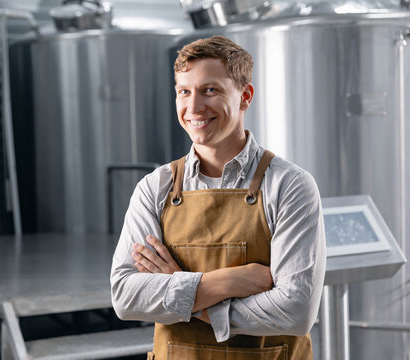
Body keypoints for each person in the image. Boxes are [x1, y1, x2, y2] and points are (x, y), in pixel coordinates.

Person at [110, 35, 326, 360]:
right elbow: (126, 297)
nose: (193, 107)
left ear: (245, 96)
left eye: (210, 90)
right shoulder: (155, 187)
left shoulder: (290, 186)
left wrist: (182, 291)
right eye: (184, 92)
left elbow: (295, 310)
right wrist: (226, 282)